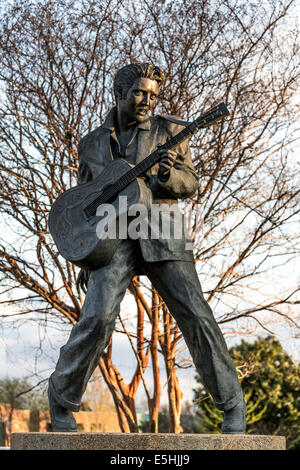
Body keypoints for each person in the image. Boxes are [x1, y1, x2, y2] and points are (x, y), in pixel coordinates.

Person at [48, 63, 246, 434]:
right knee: (97, 319)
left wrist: (169, 175)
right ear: (119, 92)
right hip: (111, 239)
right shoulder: (91, 143)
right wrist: (83, 255)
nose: (147, 101)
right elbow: (86, 198)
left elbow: (190, 182)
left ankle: (232, 406)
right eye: (139, 92)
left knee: (196, 316)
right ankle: (61, 401)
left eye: (153, 95)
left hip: (162, 230)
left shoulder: (169, 130)